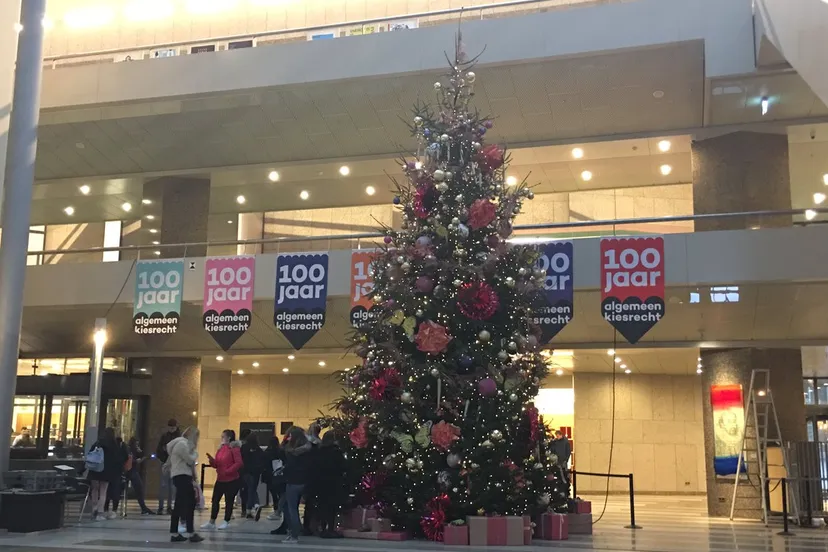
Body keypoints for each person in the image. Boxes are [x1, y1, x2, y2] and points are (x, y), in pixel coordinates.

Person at [166, 426, 203, 543]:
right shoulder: (182, 444)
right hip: (181, 477)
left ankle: (176, 533)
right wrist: (195, 454)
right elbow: (190, 460)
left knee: (181, 504)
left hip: (182, 476)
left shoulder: (182, 444)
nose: (197, 439)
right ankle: (190, 532)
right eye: (196, 436)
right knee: (187, 504)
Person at [201, 429, 243, 531]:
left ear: (228, 437)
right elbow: (217, 464)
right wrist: (212, 461)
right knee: (215, 500)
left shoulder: (234, 449)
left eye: (223, 437)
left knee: (229, 501)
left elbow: (239, 463)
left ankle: (226, 520)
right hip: (220, 479)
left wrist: (228, 471)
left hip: (231, 479)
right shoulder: (221, 449)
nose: (221, 438)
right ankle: (212, 521)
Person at [278, 426, 312, 544]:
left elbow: (281, 450)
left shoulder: (291, 452)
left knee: (291, 509)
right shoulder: (308, 450)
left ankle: (294, 534)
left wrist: (285, 440)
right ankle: (293, 532)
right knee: (289, 506)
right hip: (303, 481)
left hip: (293, 481)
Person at [316, 431, 346, 538]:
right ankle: (331, 529)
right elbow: (343, 466)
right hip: (333, 483)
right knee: (332, 508)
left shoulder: (319, 451)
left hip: (321, 483)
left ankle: (322, 528)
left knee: (323, 506)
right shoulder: (336, 452)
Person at [87, 428, 120, 521]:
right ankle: (100, 512)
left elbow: (89, 455)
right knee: (103, 491)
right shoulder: (113, 445)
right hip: (106, 471)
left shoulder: (97, 443)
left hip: (94, 470)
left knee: (94, 490)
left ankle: (94, 509)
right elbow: (117, 459)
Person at [156, 419, 181, 515]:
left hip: (174, 464)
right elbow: (159, 449)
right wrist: (162, 459)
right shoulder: (164, 436)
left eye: (173, 427)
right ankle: (161, 507)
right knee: (163, 485)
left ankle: (169, 506)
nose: (171, 429)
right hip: (166, 463)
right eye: (170, 427)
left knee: (172, 487)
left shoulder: (178, 437)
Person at [240, 432, 266, 521]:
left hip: (246, 472)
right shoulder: (259, 450)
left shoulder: (244, 447)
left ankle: (253, 507)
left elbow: (241, 459)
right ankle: (251, 509)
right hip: (256, 473)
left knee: (250, 490)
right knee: (252, 490)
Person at [103, 437, 130, 519]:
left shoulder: (106, 446)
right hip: (117, 472)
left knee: (107, 491)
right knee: (116, 492)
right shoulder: (122, 447)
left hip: (107, 471)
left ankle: (105, 510)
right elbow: (126, 457)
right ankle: (114, 510)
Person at [127, 437, 154, 515]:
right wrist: (143, 458)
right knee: (139, 488)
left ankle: (143, 508)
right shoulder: (130, 450)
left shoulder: (135, 450)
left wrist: (141, 452)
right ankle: (143, 508)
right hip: (131, 471)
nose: (137, 446)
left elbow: (141, 456)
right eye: (136, 444)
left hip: (133, 471)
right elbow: (135, 461)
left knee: (139, 488)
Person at [262, 436, 284, 521]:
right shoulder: (280, 451)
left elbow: (264, 464)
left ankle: (276, 509)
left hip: (269, 475)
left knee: (274, 493)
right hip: (278, 474)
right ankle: (279, 509)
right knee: (280, 493)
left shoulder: (267, 452)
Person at [237, 428, 251, 518]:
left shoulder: (239, 445)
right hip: (244, 471)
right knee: (246, 490)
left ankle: (244, 510)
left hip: (241, 470)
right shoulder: (245, 446)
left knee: (243, 491)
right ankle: (245, 509)